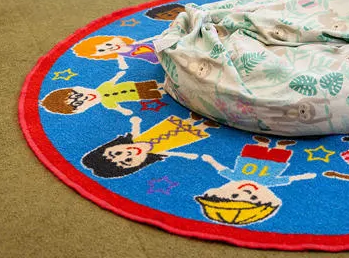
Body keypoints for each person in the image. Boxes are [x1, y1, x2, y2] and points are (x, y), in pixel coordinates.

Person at [195, 136, 315, 226]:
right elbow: (288, 179)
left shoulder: (235, 177)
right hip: (274, 164)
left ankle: (262, 143)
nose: (246, 193)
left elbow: (221, 168)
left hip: (247, 160)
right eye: (253, 198)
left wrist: (210, 160)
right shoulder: (269, 182)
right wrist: (304, 176)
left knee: (253, 151)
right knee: (279, 154)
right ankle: (281, 146)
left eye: (235, 195)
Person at [81, 115, 217, 178]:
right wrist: (185, 155)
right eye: (128, 161)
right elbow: (171, 152)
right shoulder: (157, 152)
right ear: (139, 165)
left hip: (160, 130)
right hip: (172, 141)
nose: (128, 154)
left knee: (176, 124)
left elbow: (136, 131)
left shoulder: (137, 139)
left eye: (116, 153)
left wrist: (135, 123)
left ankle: (192, 119)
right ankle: (203, 125)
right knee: (186, 136)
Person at [39, 71, 161, 116]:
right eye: (80, 102)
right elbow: (117, 107)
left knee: (150, 85)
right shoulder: (107, 102)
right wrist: (124, 110)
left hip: (131, 85)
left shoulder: (103, 88)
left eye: (78, 95)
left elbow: (111, 81)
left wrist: (118, 75)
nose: (85, 97)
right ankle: (162, 91)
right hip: (135, 96)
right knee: (151, 94)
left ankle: (161, 86)